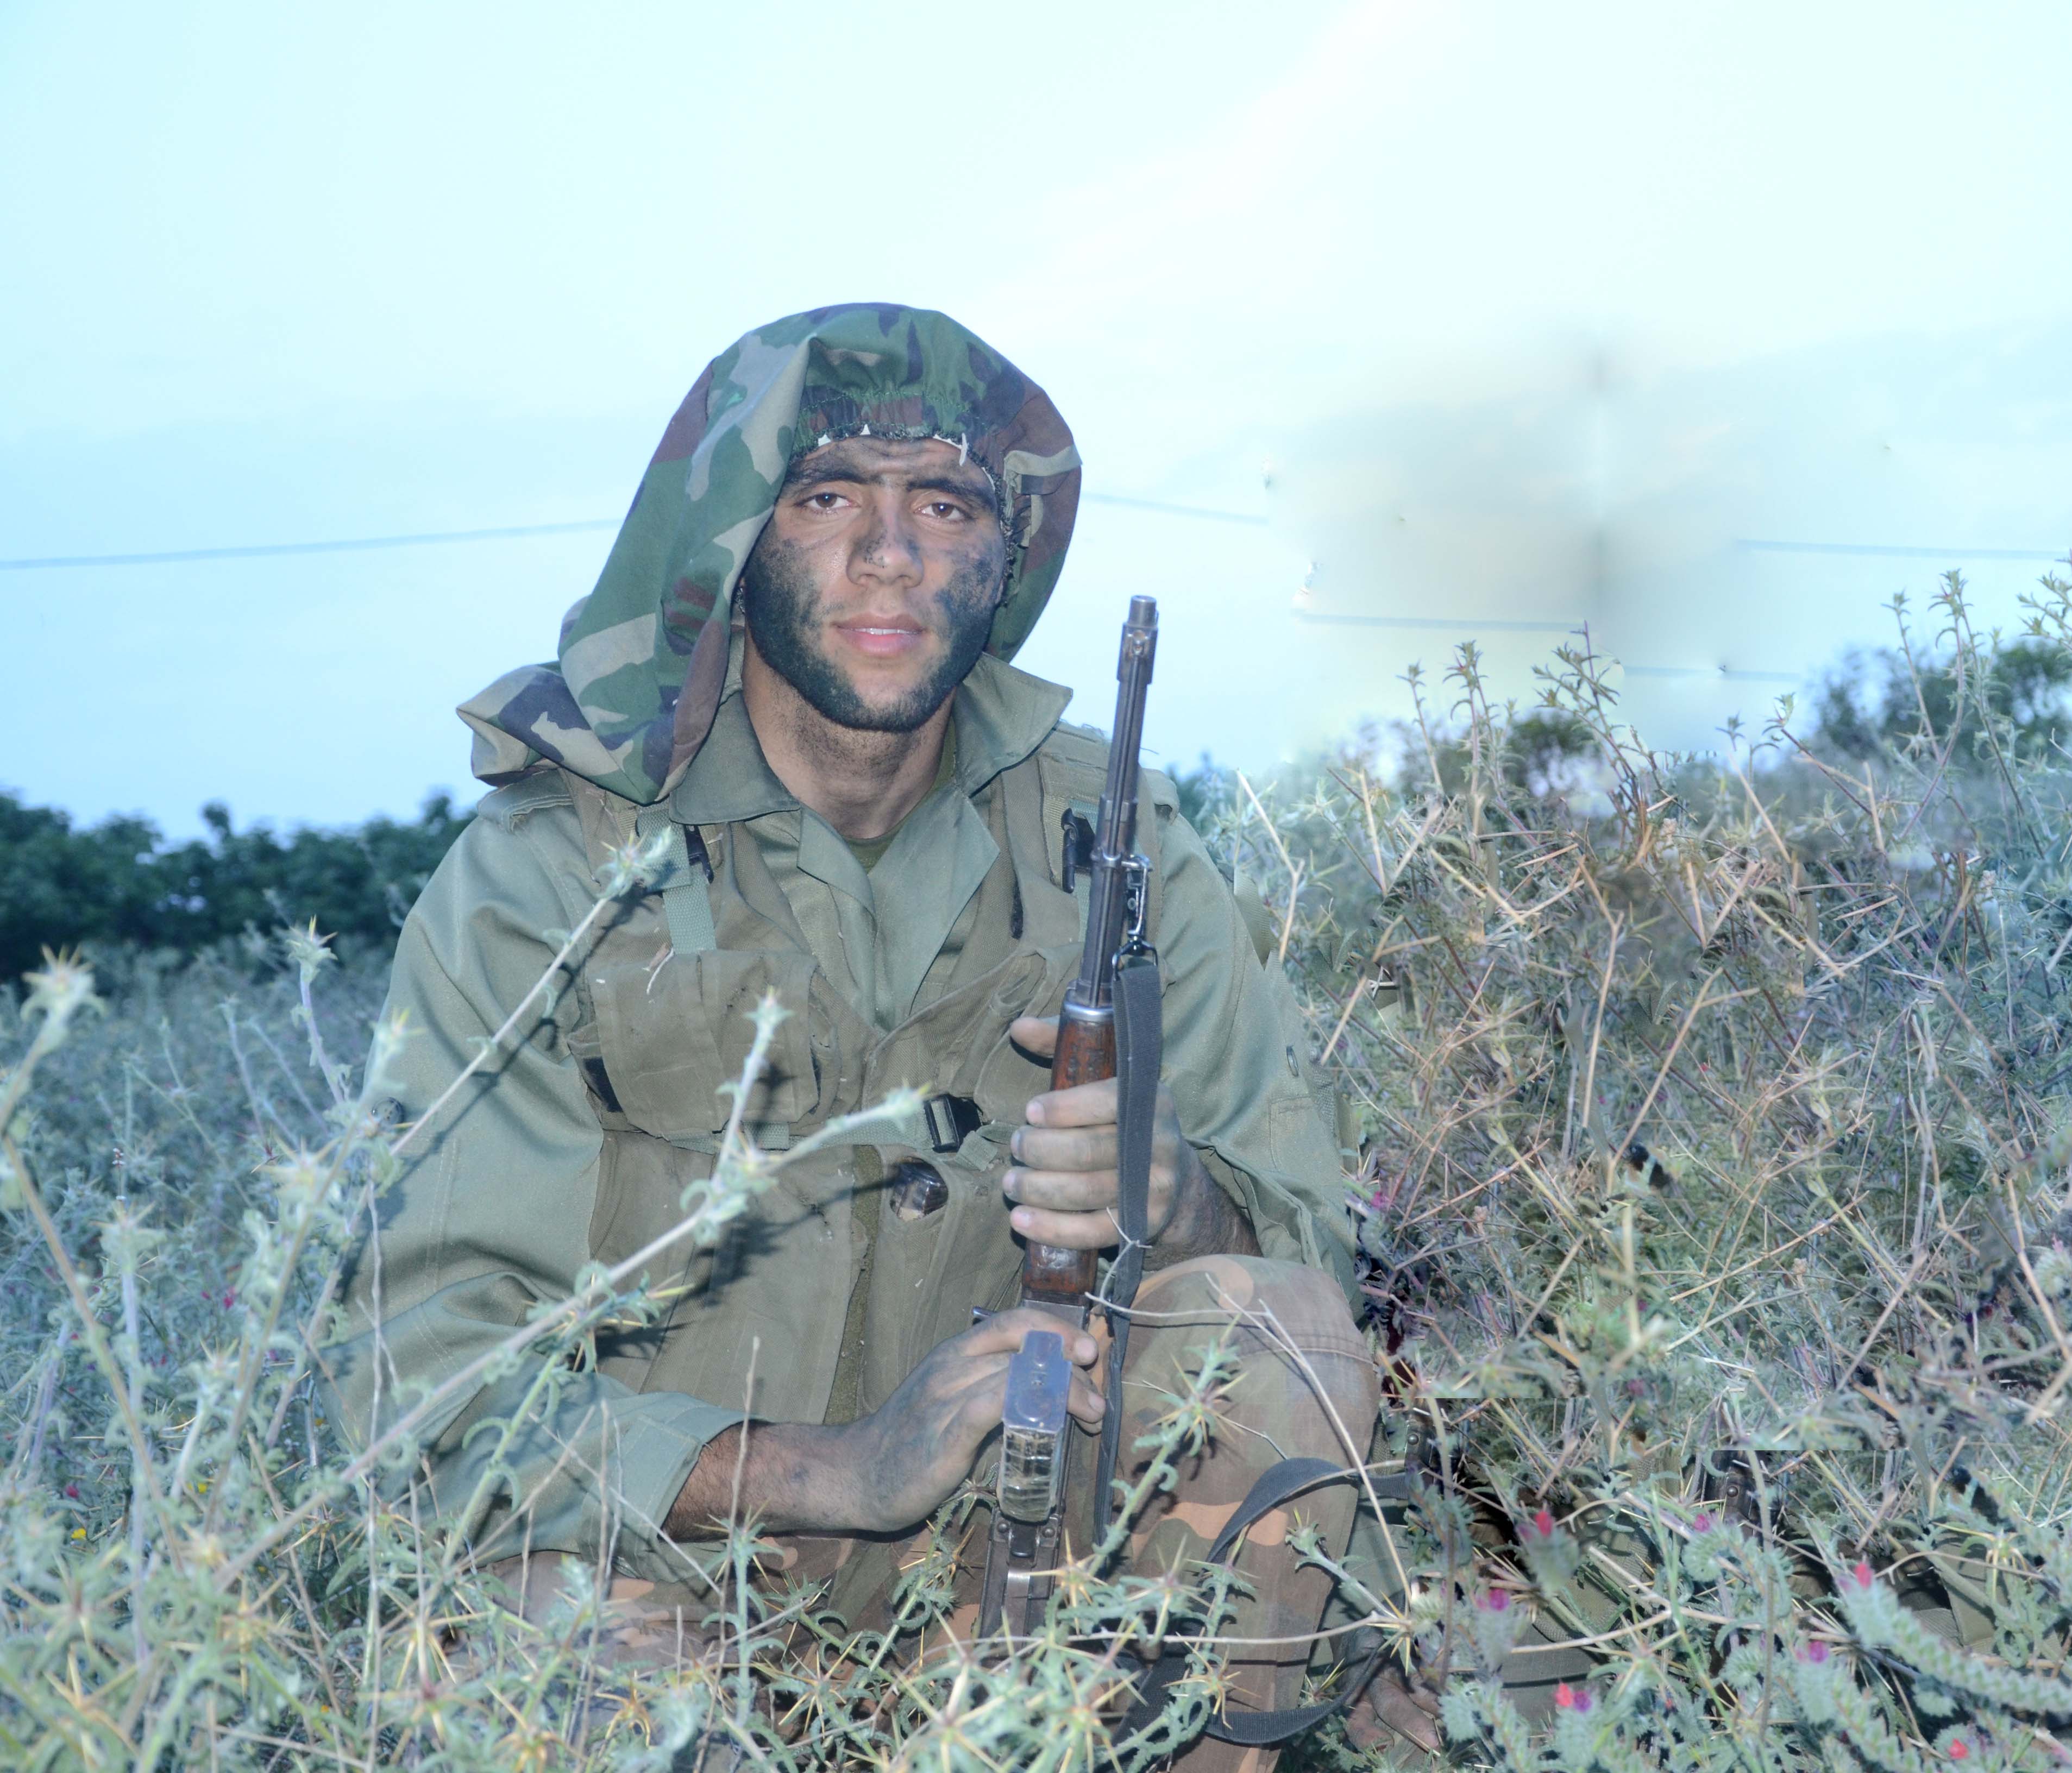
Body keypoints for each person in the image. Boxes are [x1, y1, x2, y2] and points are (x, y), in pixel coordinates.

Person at [323, 304, 1437, 1766]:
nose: (893, 554)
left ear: (1004, 554)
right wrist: (840, 1471)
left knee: (1266, 1329)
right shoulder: (547, 875)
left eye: (948, 505)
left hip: (1012, 1582)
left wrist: (1172, 1202)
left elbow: (1313, 1272)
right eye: (830, 496)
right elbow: (426, 1382)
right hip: (677, 1573)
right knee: (559, 1647)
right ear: (735, 541)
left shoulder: (1118, 843)